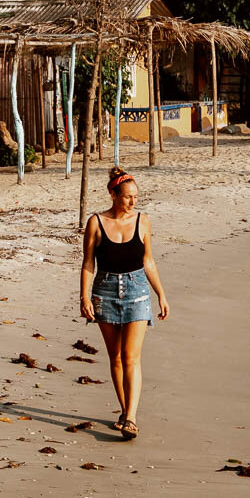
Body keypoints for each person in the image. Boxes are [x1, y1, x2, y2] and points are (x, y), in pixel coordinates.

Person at [80, 166, 169, 439]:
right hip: (104, 292)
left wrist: (161, 294)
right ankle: (124, 411)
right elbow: (87, 264)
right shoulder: (95, 223)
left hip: (137, 291)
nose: (133, 202)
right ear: (113, 194)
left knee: (131, 357)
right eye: (128, 196)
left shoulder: (143, 221)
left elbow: (149, 261)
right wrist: (84, 297)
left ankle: (131, 417)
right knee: (115, 358)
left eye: (136, 196)